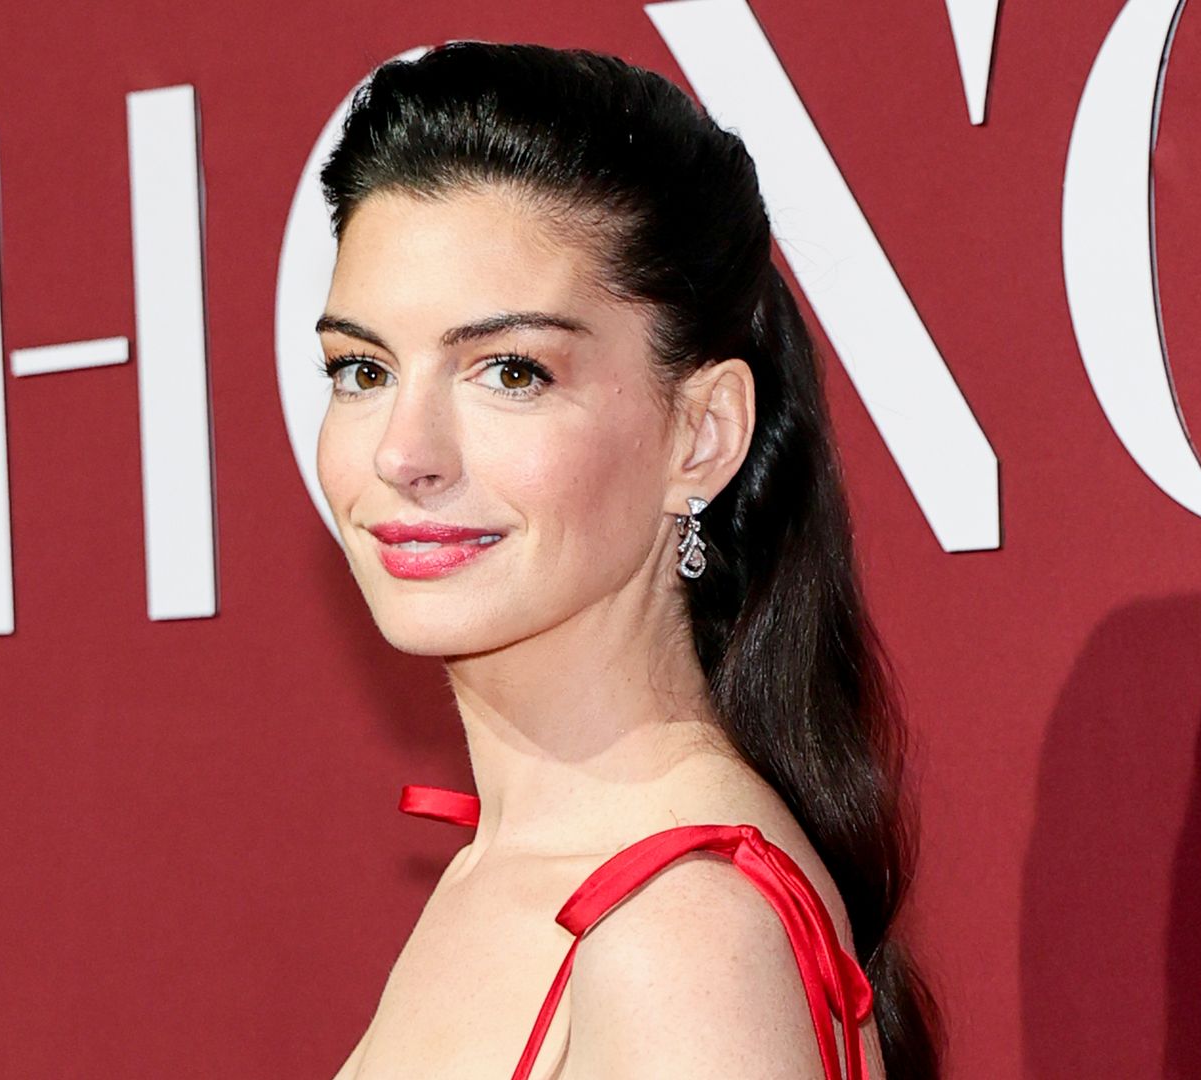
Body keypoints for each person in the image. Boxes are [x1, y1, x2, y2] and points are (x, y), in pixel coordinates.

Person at [311, 40, 940, 1080]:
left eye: (510, 371)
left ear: (701, 435)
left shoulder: (680, 937)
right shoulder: (512, 869)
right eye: (362, 368)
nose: (402, 453)